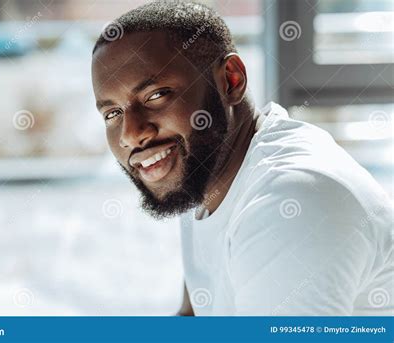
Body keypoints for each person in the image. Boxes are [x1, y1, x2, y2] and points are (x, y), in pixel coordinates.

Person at [91, 0, 393, 315]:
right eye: (112, 113)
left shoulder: (289, 201)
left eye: (156, 95)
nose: (130, 133)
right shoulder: (204, 171)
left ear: (231, 81)